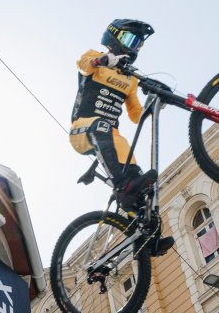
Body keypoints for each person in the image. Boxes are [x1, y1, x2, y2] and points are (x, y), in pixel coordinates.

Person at [70, 18, 175, 256]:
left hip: (112, 137)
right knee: (102, 128)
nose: (134, 47)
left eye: (138, 43)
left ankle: (149, 237)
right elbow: (84, 64)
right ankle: (123, 186)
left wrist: (155, 103)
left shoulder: (130, 79)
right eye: (130, 40)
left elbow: (136, 115)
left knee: (141, 184)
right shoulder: (96, 56)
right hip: (83, 129)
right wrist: (103, 60)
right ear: (113, 37)